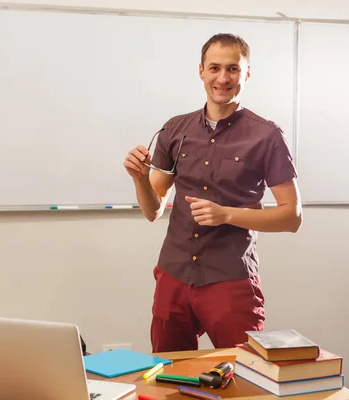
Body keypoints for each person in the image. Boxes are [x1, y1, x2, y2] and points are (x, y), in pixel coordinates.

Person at [123, 33, 302, 352]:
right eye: (215, 68)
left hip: (230, 278)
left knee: (243, 376)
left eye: (232, 69)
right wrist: (140, 179)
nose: (223, 78)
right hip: (173, 274)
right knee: (169, 374)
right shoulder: (174, 130)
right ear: (201, 71)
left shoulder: (267, 136)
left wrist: (227, 215)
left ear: (246, 73)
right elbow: (154, 211)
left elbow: (292, 216)